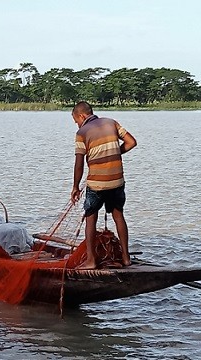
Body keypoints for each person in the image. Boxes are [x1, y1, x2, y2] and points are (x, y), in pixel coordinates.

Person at [70, 101, 137, 269]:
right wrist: (114, 153)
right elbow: (131, 142)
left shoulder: (82, 132)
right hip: (117, 180)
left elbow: (79, 164)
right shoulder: (111, 122)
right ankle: (126, 258)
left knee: (91, 218)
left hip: (97, 184)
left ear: (82, 116)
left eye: (76, 120)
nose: (76, 124)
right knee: (118, 215)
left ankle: (91, 261)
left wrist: (75, 187)